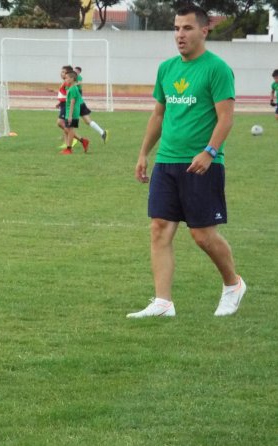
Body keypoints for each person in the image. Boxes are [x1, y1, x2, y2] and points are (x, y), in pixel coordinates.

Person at [128, 4, 246, 318]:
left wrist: (209, 152)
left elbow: (227, 118)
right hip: (166, 162)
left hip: (202, 163)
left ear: (204, 30)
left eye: (187, 28)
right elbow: (158, 114)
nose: (180, 34)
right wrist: (143, 153)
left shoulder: (217, 69)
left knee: (202, 235)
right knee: (159, 228)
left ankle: (233, 284)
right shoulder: (167, 69)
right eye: (177, 28)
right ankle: (163, 302)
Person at [60, 71, 89, 155]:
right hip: (69, 111)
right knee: (68, 129)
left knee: (70, 129)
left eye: (67, 78)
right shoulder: (71, 88)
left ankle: (69, 149)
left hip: (72, 113)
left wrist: (70, 116)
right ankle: (83, 141)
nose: (65, 79)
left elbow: (72, 102)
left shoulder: (73, 89)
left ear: (72, 79)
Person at [56, 65, 83, 151]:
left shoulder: (70, 86)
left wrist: (70, 113)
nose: (62, 73)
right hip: (65, 106)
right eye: (62, 72)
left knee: (63, 124)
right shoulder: (67, 84)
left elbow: (71, 98)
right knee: (66, 126)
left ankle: (74, 141)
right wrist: (59, 102)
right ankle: (68, 144)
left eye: (64, 72)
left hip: (68, 107)